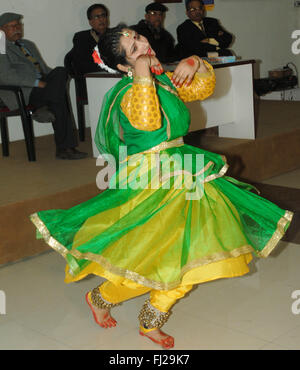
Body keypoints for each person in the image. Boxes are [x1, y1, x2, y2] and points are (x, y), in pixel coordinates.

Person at [30, 24, 293, 349]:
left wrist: (195, 61)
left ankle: (144, 315)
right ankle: (104, 297)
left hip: (184, 170)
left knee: (192, 257)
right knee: (154, 258)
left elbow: (203, 88)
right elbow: (147, 121)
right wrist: (143, 73)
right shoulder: (128, 92)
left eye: (139, 38)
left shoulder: (165, 82)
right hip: (151, 181)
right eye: (133, 49)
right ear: (124, 66)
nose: (142, 45)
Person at [0, 12, 87, 160]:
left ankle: (43, 107)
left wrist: (54, 79)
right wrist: (37, 83)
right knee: (59, 99)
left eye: (18, 24)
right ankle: (65, 148)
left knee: (61, 71)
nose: (17, 28)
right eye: (12, 26)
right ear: (1, 30)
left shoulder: (28, 44)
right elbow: (5, 76)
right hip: (23, 92)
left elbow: (44, 70)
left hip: (42, 90)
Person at [71, 4, 110, 74]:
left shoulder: (117, 34)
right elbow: (82, 64)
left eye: (103, 15)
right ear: (90, 21)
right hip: (94, 76)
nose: (101, 19)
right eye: (97, 17)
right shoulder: (81, 38)